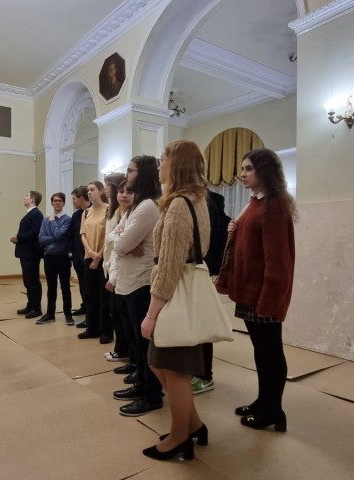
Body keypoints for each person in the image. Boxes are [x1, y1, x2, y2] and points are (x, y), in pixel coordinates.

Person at [217, 148, 296, 432]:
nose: (242, 174)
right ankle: (264, 402)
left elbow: (277, 260)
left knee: (270, 352)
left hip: (263, 295)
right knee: (262, 352)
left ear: (265, 171)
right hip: (251, 292)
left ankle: (273, 410)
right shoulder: (256, 202)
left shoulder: (273, 205)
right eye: (242, 168)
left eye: (249, 168)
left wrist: (268, 300)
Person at [141, 140, 211, 461]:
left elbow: (169, 266)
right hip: (181, 289)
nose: (159, 166)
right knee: (161, 363)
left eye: (163, 160)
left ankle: (180, 437)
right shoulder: (195, 199)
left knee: (174, 369)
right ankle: (193, 425)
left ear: (177, 164)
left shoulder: (180, 204)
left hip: (174, 294)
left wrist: (151, 314)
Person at [111, 155, 163, 418]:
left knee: (144, 346)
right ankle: (141, 384)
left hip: (140, 283)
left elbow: (120, 245)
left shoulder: (147, 207)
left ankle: (151, 395)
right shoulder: (135, 207)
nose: (126, 174)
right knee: (135, 341)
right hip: (127, 281)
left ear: (142, 174)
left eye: (130, 170)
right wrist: (121, 239)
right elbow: (113, 237)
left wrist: (121, 241)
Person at [190, 189, 231, 395]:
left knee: (201, 325)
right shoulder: (196, 200)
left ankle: (204, 374)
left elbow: (204, 243)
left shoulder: (203, 203)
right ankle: (197, 371)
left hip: (200, 270)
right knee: (195, 324)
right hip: (198, 270)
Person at [77, 181, 108, 338]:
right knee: (89, 293)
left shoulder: (108, 210)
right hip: (89, 256)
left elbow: (109, 235)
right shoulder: (86, 212)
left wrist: (98, 255)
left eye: (92, 189)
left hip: (103, 257)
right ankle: (92, 328)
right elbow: (82, 234)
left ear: (101, 191)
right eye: (88, 190)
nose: (89, 192)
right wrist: (90, 252)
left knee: (103, 295)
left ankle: (105, 331)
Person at [36, 192, 73, 325]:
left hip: (63, 258)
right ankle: (50, 314)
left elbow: (59, 234)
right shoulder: (45, 220)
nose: (57, 203)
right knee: (51, 287)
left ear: (63, 203)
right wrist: (54, 239)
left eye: (60, 201)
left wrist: (52, 223)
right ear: (51, 203)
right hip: (49, 258)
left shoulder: (68, 220)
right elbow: (41, 238)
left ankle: (68, 314)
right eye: (55, 201)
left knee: (65, 287)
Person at [99, 172, 126, 346]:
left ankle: (121, 346)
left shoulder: (120, 211)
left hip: (116, 264)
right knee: (112, 308)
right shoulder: (111, 209)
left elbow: (117, 240)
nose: (105, 189)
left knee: (118, 310)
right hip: (108, 263)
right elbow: (109, 237)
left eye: (107, 185)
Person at [11, 191, 44, 319]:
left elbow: (35, 232)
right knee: (28, 281)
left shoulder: (36, 214)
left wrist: (18, 237)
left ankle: (36, 308)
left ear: (32, 200)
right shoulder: (31, 214)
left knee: (33, 281)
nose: (24, 198)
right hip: (26, 253)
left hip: (31, 253)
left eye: (27, 196)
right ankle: (30, 305)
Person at [69, 186, 90, 317]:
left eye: (74, 199)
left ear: (81, 198)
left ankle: (91, 311)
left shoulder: (93, 212)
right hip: (77, 254)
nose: (73, 201)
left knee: (90, 285)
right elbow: (72, 234)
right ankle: (85, 306)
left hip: (89, 254)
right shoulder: (76, 215)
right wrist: (71, 251)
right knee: (82, 283)